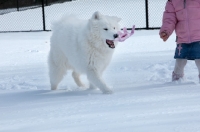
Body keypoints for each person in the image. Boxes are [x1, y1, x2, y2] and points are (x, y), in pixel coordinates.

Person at [159, 0, 200, 82]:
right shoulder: (172, 2)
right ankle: (177, 80)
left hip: (199, 37)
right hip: (182, 38)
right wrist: (166, 31)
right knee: (180, 62)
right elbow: (169, 19)